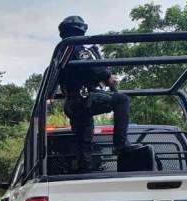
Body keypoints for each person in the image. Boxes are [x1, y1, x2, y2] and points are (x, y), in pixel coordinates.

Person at [58, 15, 141, 172]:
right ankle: (120, 144)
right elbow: (90, 67)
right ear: (81, 30)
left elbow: (79, 73)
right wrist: (107, 76)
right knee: (121, 100)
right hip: (83, 99)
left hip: (73, 103)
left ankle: (85, 169)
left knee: (84, 140)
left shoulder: (63, 50)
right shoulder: (76, 46)